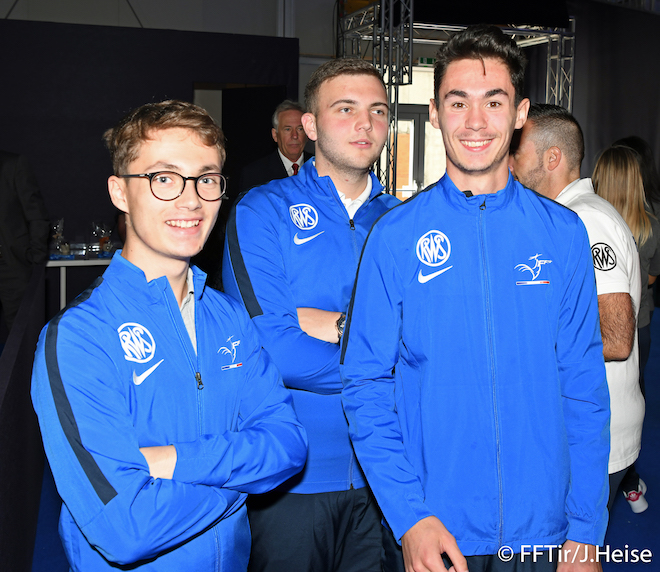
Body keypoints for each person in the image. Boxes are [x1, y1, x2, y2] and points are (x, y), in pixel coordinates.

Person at [341, 26, 610, 572]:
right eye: (457, 102)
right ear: (435, 114)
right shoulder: (394, 237)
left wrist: (586, 528)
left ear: (520, 113)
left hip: (543, 530)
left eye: (494, 101)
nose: (475, 122)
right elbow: (365, 385)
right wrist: (409, 517)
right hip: (435, 528)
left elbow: (583, 385)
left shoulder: (562, 234)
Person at [31, 100, 307, 572]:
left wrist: (174, 461)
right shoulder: (78, 337)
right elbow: (125, 528)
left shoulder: (229, 318)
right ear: (120, 192)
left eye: (206, 179)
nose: (191, 200)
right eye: (164, 178)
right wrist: (241, 486)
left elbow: (289, 445)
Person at [223, 59, 399, 572]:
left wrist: (326, 322)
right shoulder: (262, 211)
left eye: (378, 110)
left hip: (388, 475)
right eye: (345, 109)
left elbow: (435, 341)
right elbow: (275, 350)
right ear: (310, 125)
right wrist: (388, 355)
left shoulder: (403, 222)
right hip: (292, 478)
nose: (364, 123)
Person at [510, 105, 644, 516]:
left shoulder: (585, 219)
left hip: (592, 429)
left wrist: (526, 340)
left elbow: (616, 339)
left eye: (518, 153)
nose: (510, 163)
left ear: (552, 158)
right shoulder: (567, 216)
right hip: (580, 423)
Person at [591, 145, 653, 512]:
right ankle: (629, 480)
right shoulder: (649, 226)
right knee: (632, 390)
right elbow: (652, 276)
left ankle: (623, 477)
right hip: (641, 323)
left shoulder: (590, 222)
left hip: (613, 331)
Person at [0, 151, 49, 332]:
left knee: (21, 334)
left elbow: (37, 216)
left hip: (11, 265)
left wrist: (35, 259)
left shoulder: (12, 165)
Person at [237, 100, 312, 195]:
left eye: (300, 129)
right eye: (287, 129)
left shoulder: (319, 167)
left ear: (307, 133)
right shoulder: (254, 174)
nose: (294, 136)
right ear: (275, 135)